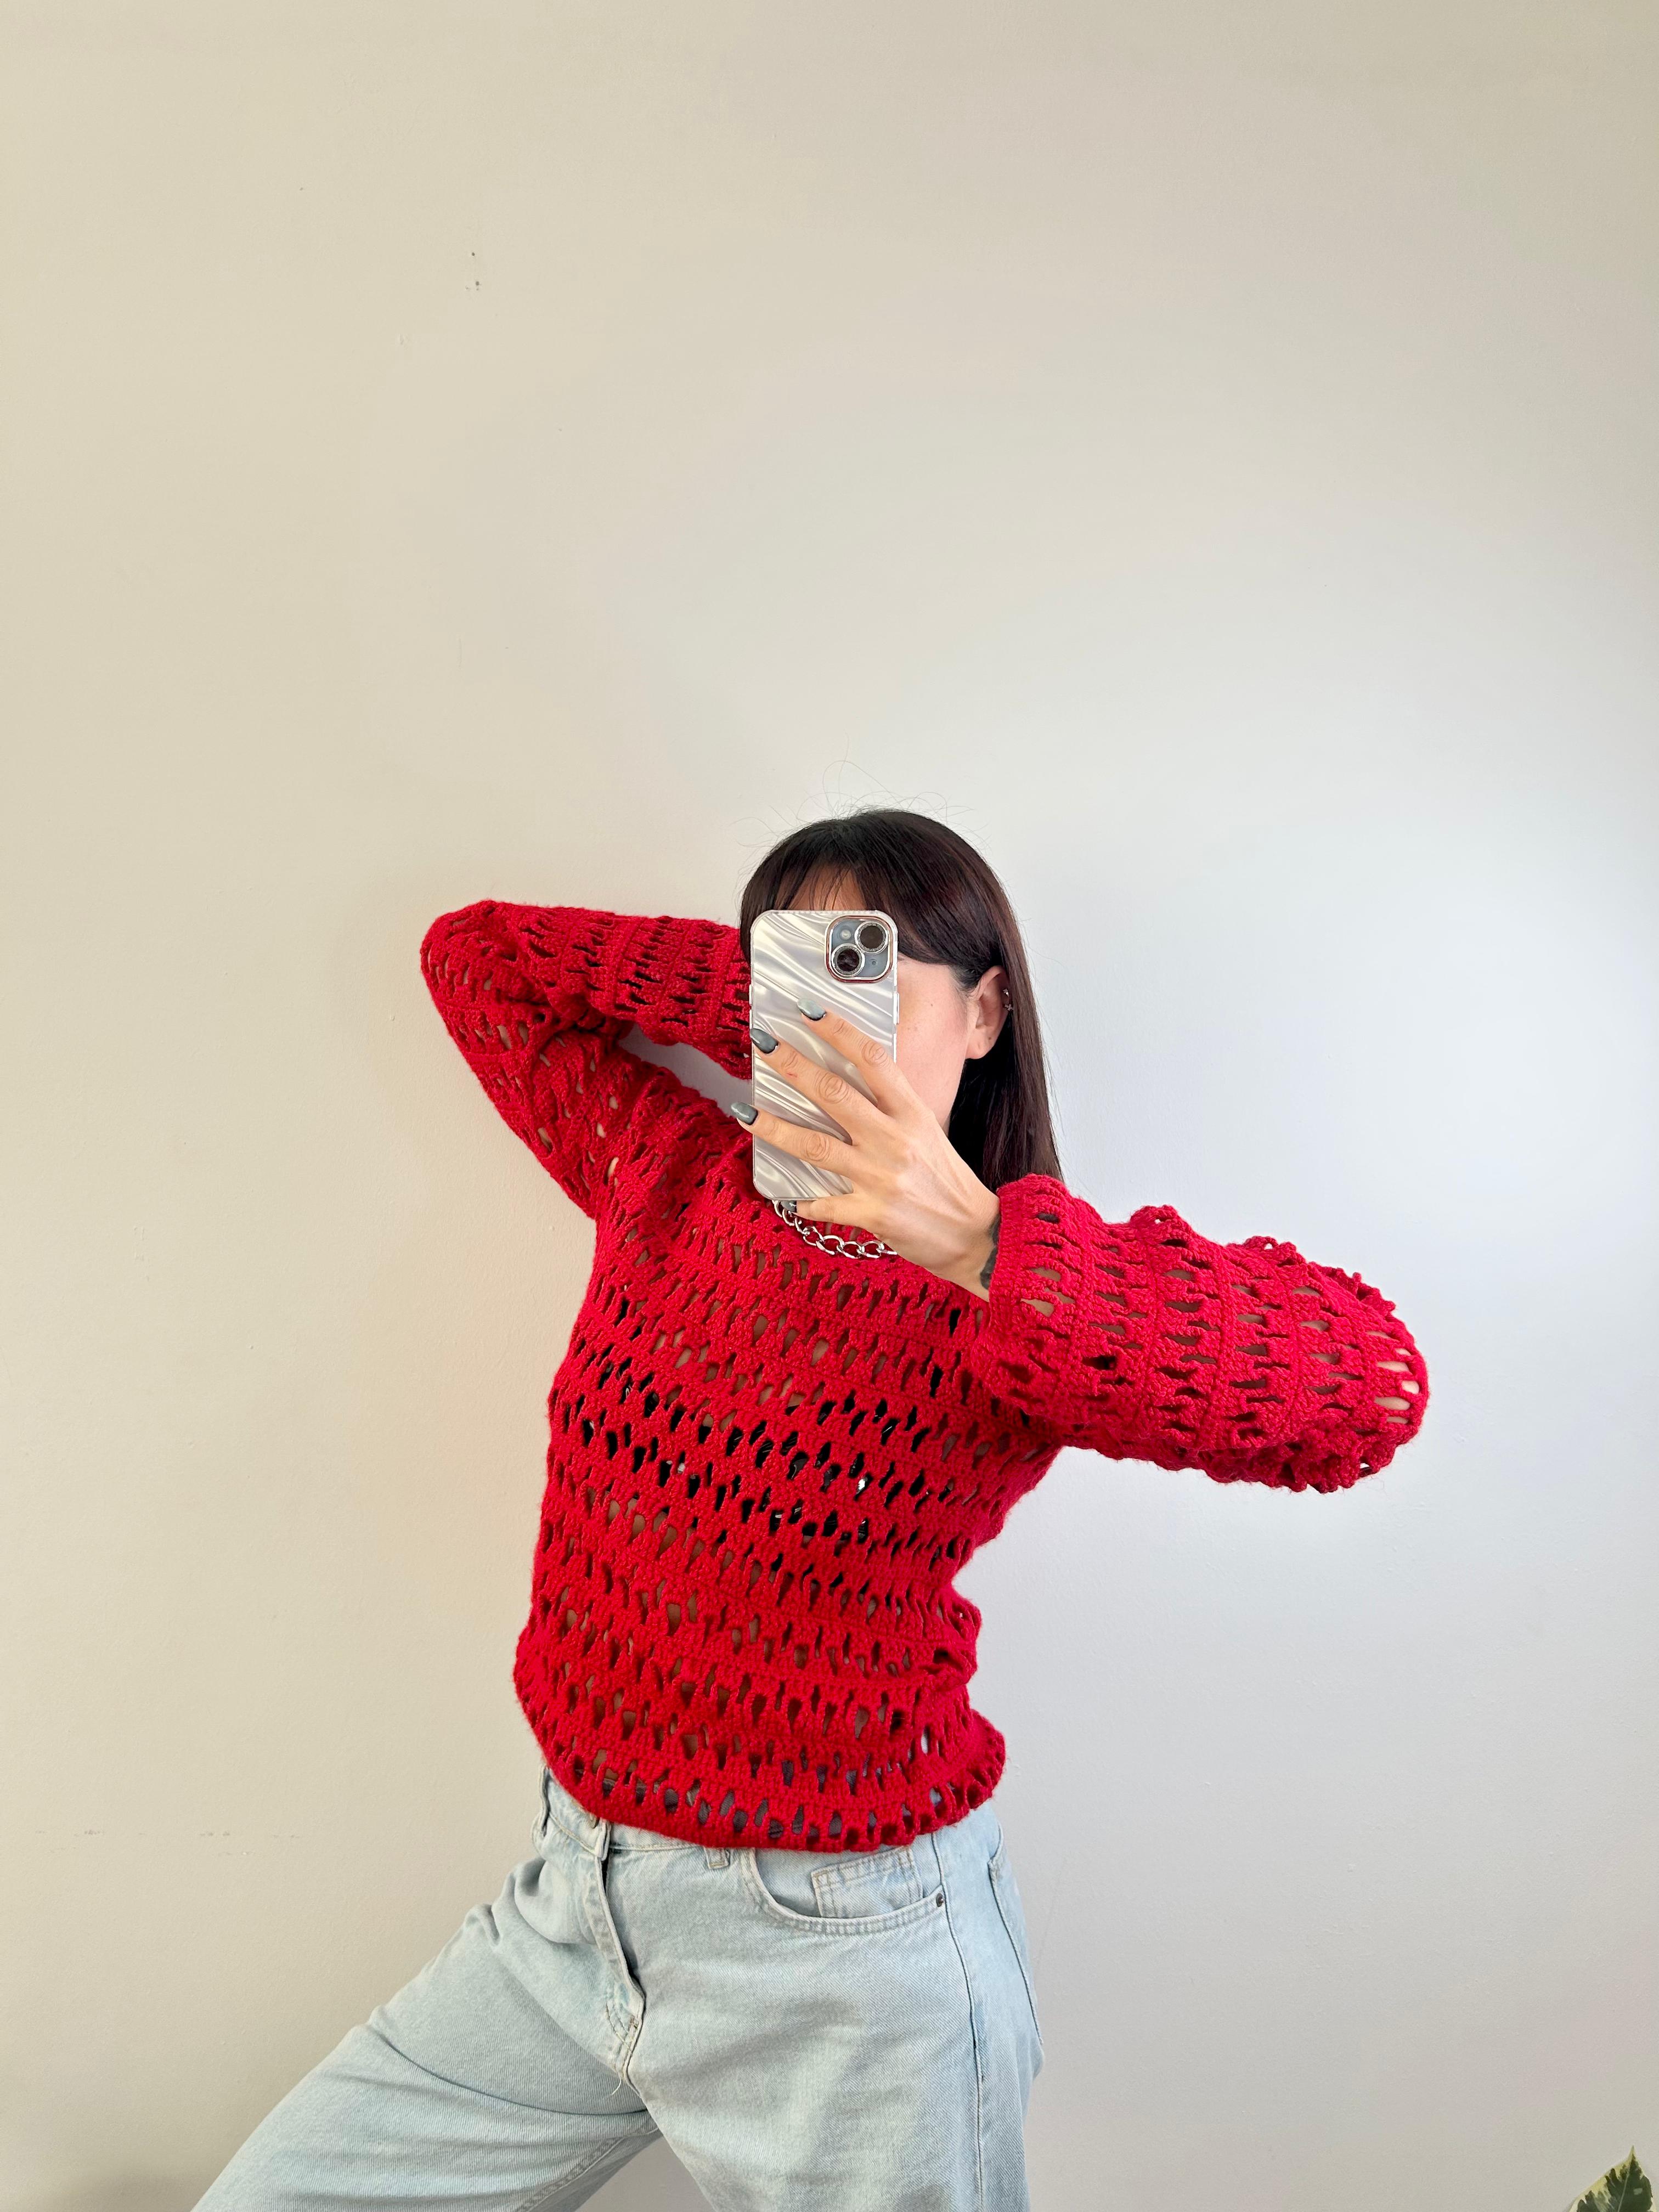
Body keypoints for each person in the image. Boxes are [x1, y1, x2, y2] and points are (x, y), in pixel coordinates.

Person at [194, 806, 1430, 2211]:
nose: (828, 1007)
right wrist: (766, 999)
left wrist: (978, 1240)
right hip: (574, 1908)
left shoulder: (1021, 1300)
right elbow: (478, 963)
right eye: (798, 967)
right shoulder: (668, 1174)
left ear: (987, 1013)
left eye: (876, 967)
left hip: (844, 1962)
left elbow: (1366, 1392)